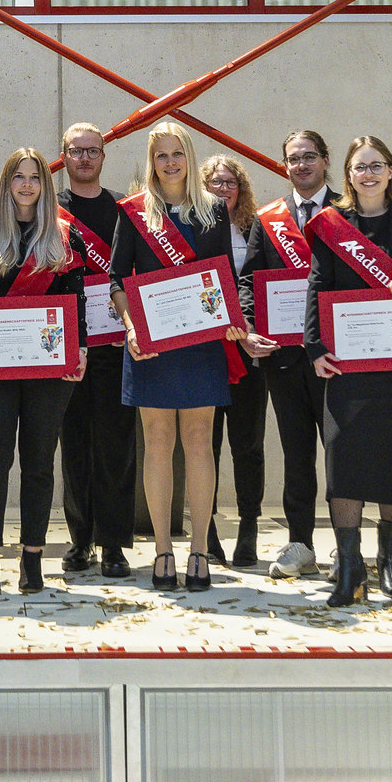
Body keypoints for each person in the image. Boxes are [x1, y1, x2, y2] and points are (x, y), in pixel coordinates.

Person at [110, 119, 252, 593]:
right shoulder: (134, 212)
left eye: (176, 154)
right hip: (149, 345)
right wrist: (131, 327)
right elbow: (117, 280)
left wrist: (232, 320)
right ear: (151, 163)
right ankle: (163, 550)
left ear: (188, 157)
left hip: (199, 344)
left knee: (197, 441)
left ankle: (198, 550)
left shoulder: (213, 210)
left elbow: (223, 280)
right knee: (157, 441)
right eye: (160, 155)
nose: (169, 163)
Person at [303, 136, 392, 608]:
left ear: (391, 170)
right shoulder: (334, 225)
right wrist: (313, 345)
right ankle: (350, 564)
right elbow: (318, 284)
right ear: (348, 174)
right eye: (360, 167)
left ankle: (389, 561)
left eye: (377, 165)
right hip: (348, 362)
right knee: (343, 458)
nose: (369, 174)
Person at [0, 149, 90, 595]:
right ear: (6, 182)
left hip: (48, 370)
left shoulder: (61, 234)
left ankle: (33, 557)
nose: (26, 184)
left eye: (35, 177)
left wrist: (81, 348)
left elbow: (76, 299)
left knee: (39, 463)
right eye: (18, 176)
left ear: (45, 184)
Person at [249, 129, 338, 580]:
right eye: (292, 159)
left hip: (339, 356)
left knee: (342, 452)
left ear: (325, 160)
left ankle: (348, 545)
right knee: (297, 454)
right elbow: (248, 282)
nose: (300, 165)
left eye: (309, 157)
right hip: (284, 358)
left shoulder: (349, 211)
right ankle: (300, 543)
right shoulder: (268, 219)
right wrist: (248, 328)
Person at [56, 123, 137, 580]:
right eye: (75, 151)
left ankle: (113, 546)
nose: (84, 158)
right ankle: (80, 540)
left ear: (103, 156)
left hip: (113, 347)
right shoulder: (52, 209)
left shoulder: (122, 211)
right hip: (67, 348)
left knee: (116, 447)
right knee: (75, 448)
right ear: (63, 156)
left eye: (92, 151)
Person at [200, 155, 280, 569]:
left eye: (229, 182)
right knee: (205, 446)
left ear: (241, 188)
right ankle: (207, 529)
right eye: (213, 182)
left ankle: (248, 527)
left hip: (250, 349)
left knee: (247, 443)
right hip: (207, 350)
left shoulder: (257, 228)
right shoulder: (192, 228)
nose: (222, 188)